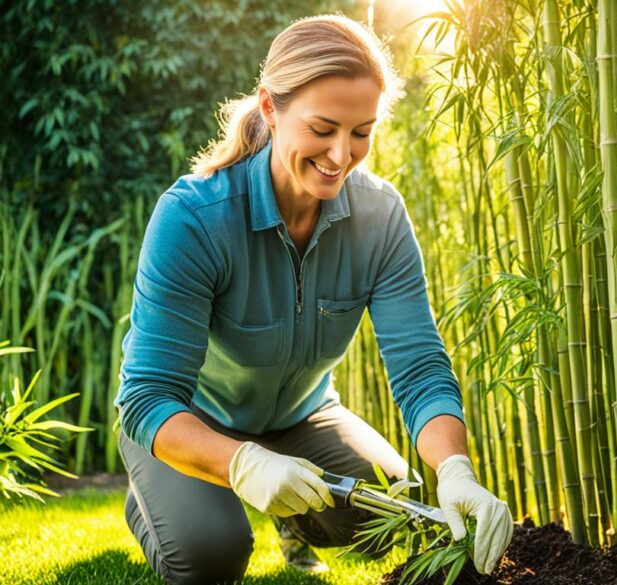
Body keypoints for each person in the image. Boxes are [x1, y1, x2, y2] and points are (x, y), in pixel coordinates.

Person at [113, 14, 513, 584]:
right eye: (323, 128)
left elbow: (420, 368)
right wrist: (243, 462)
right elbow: (149, 396)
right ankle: (158, 499)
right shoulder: (193, 219)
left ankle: (293, 522)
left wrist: (455, 469)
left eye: (361, 132)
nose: (341, 155)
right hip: (188, 424)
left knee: (396, 511)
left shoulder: (381, 218)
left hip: (303, 416)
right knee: (210, 551)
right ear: (270, 108)